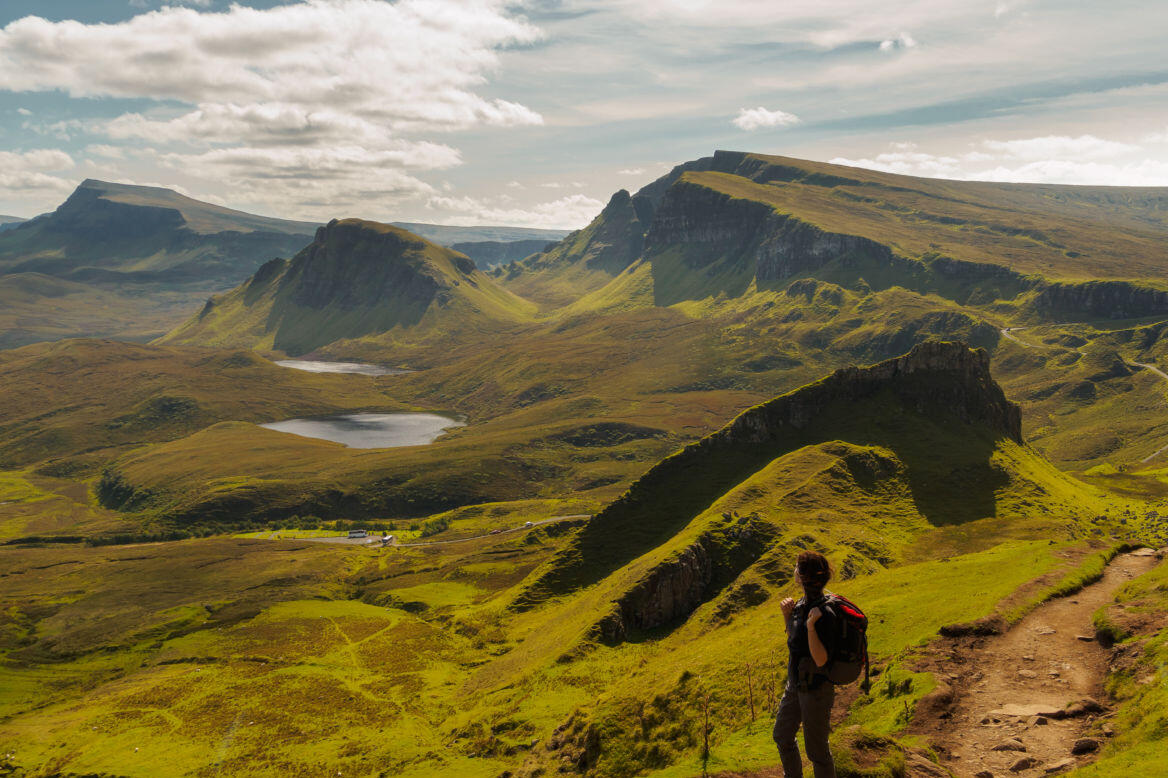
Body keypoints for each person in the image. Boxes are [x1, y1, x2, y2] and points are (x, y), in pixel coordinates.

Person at [772, 551, 837, 778]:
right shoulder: (801, 605)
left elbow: (820, 659)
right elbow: (795, 643)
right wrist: (787, 616)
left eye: (796, 567)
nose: (793, 570)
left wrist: (811, 627)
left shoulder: (824, 612)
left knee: (817, 752)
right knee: (782, 735)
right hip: (796, 684)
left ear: (802, 576)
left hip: (816, 689)